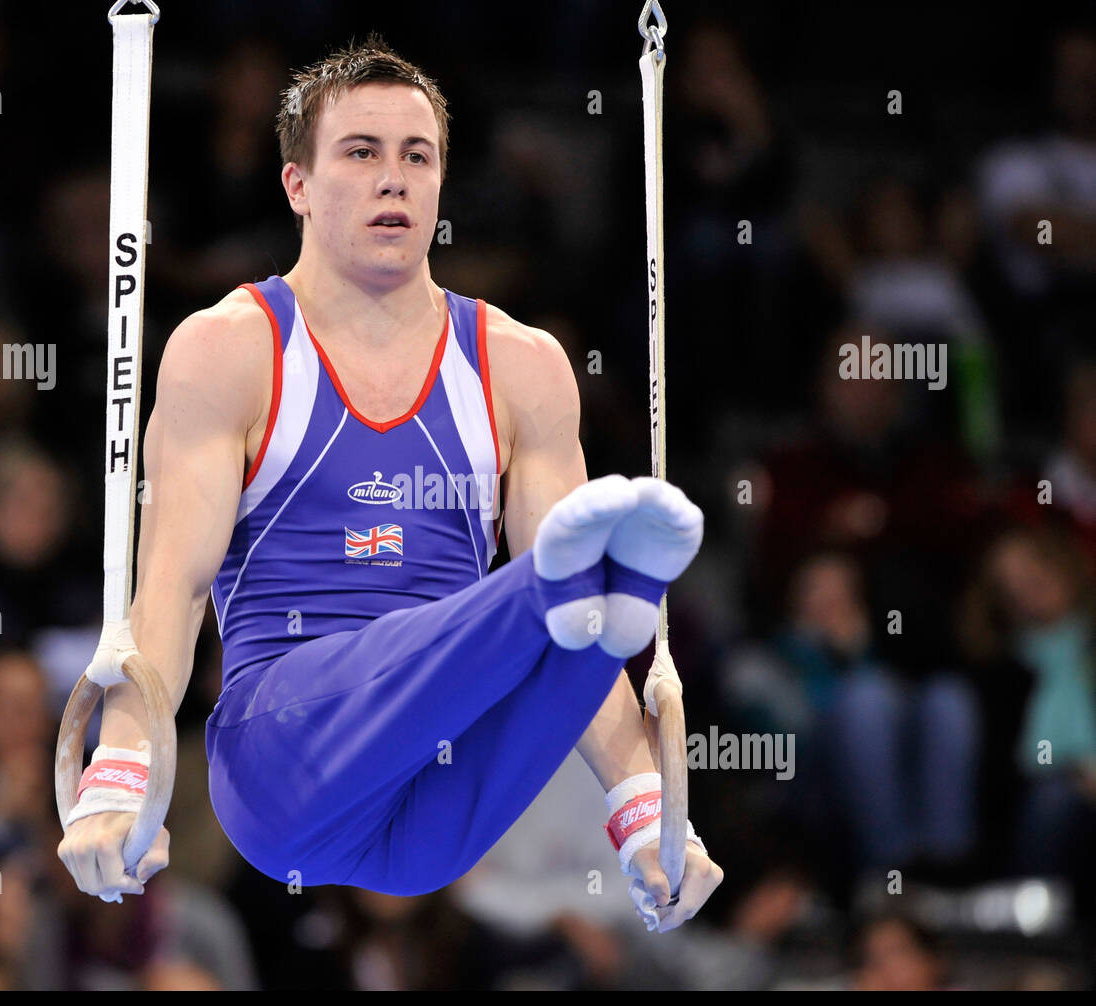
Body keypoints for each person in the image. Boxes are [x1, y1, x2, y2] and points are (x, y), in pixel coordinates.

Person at [58, 34, 721, 934]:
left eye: (418, 156)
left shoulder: (522, 368)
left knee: (587, 625)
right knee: (548, 596)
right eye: (361, 152)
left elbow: (587, 653)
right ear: (296, 183)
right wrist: (120, 773)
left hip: (434, 823)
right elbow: (169, 588)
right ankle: (569, 577)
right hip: (281, 765)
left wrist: (648, 816)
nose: (394, 178)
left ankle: (596, 579)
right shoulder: (232, 348)